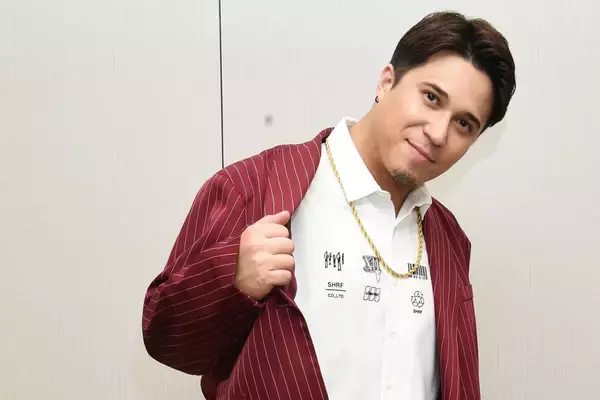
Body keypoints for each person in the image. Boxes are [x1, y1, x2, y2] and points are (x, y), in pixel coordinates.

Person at [142, 10, 516, 400]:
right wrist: (232, 279)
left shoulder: (448, 239)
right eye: (431, 98)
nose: (438, 133)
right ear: (387, 82)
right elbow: (166, 340)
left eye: (464, 124)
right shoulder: (255, 189)